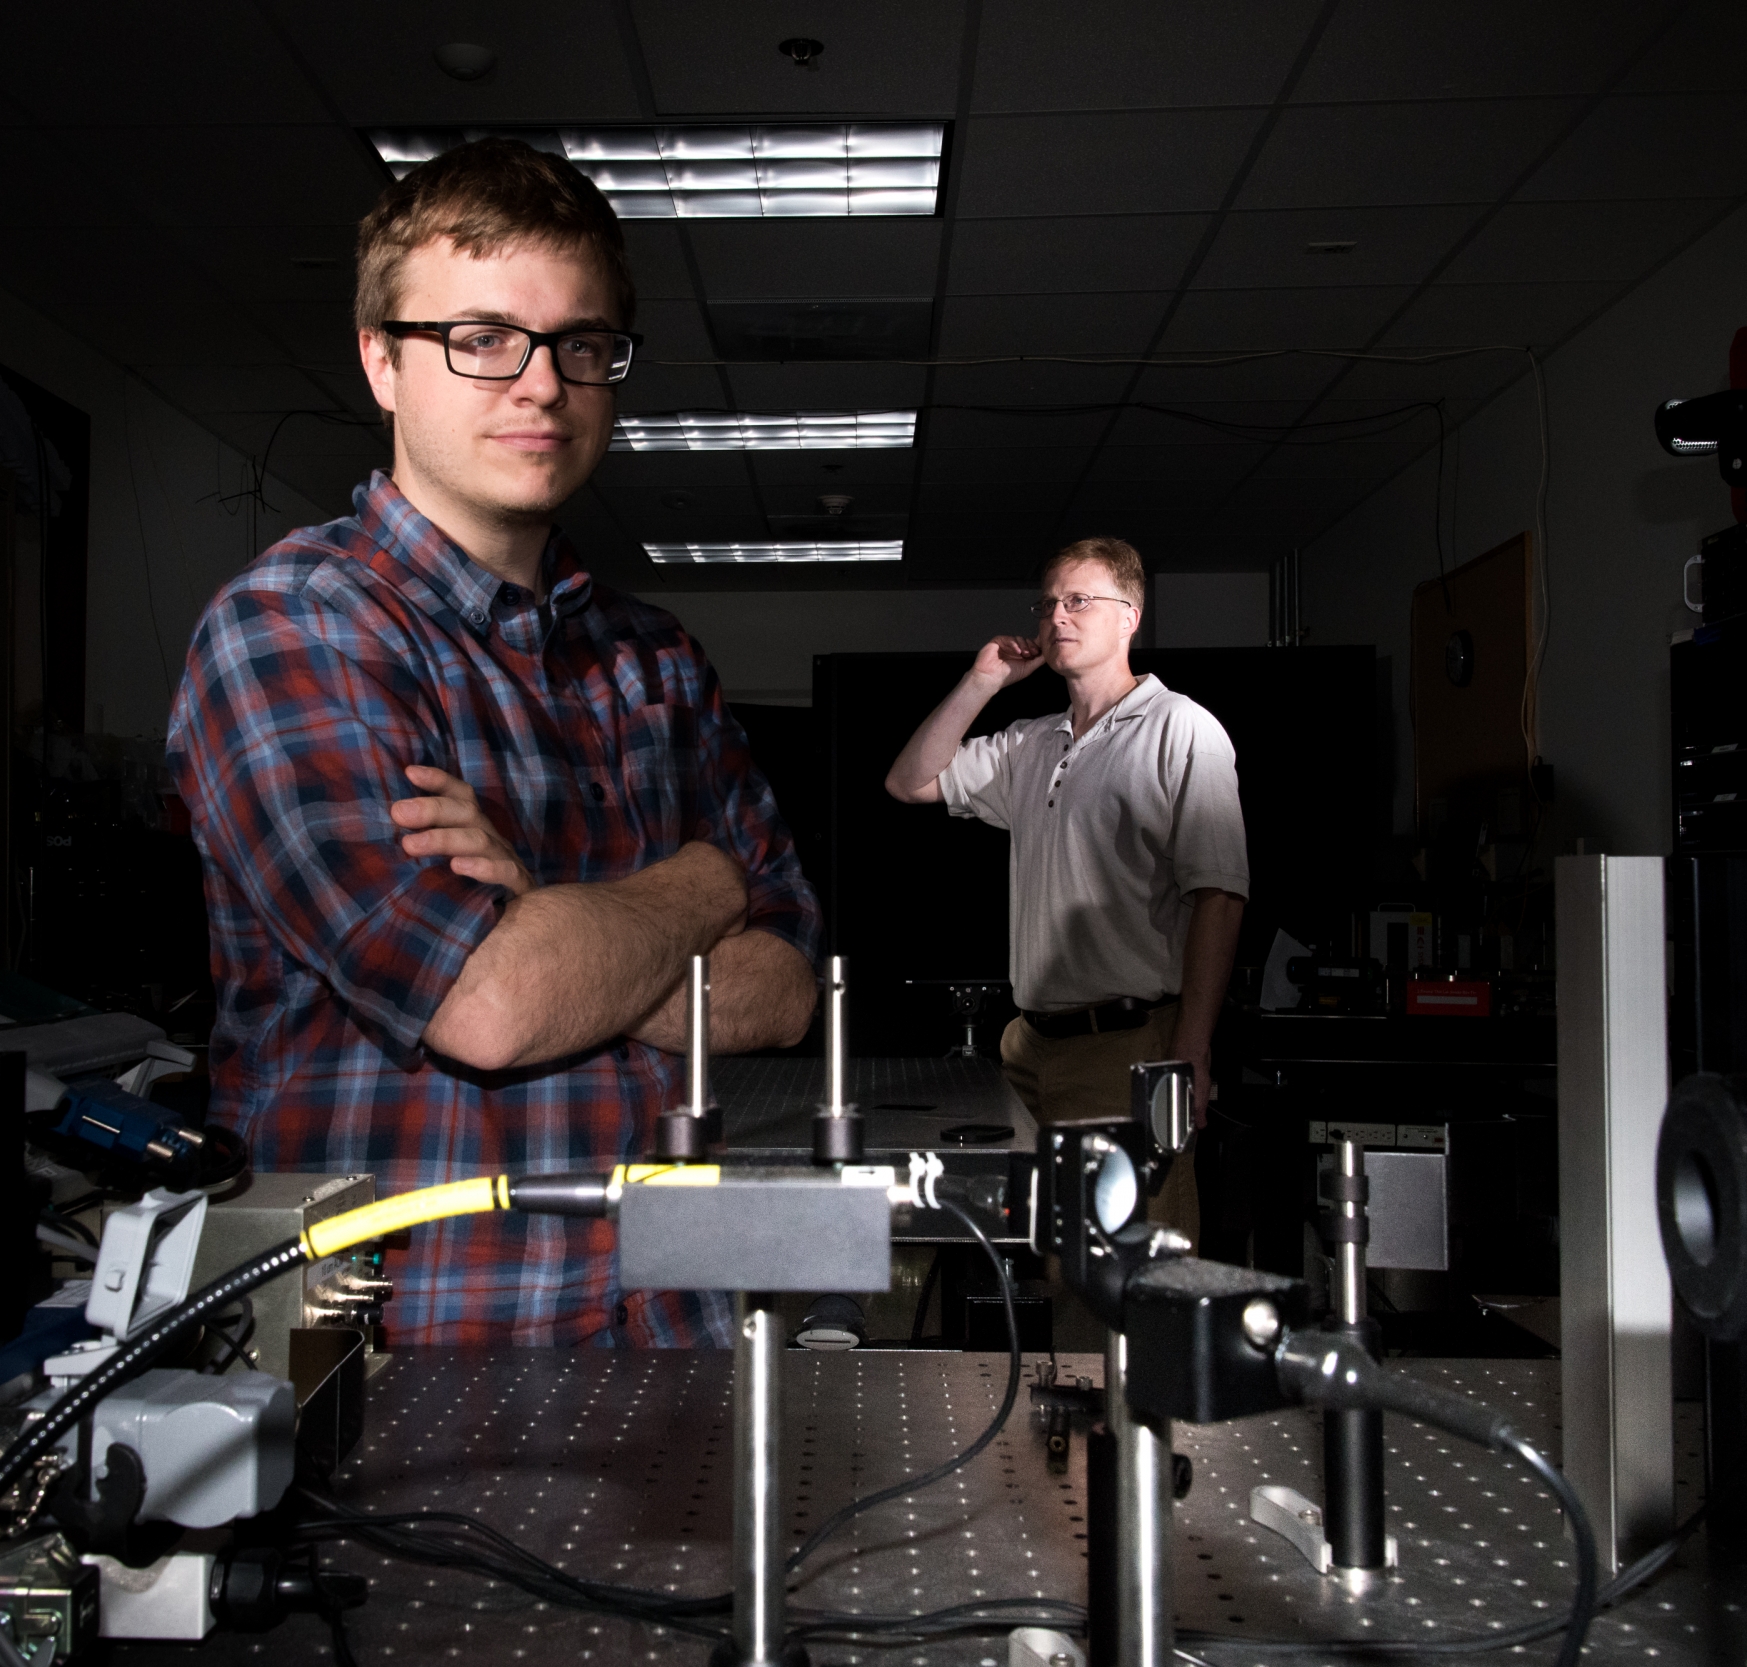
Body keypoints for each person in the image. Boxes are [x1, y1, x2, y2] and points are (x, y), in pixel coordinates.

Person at [167, 139, 818, 1348]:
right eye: (480, 339)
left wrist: (552, 912)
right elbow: (490, 1003)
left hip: (674, 1344)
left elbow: (782, 992)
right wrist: (703, 879)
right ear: (381, 361)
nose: (539, 385)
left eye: (581, 344)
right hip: (404, 1380)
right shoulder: (293, 629)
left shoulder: (653, 659)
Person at [883, 537, 1247, 1238]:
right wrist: (982, 681)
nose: (1057, 616)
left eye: (1079, 599)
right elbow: (910, 781)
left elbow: (1220, 897)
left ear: (1130, 616)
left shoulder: (1181, 729)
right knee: (1045, 1256)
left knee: (1123, 1269)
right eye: (1048, 602)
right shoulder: (1031, 743)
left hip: (1126, 1045)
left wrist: (1194, 1048)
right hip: (1028, 1048)